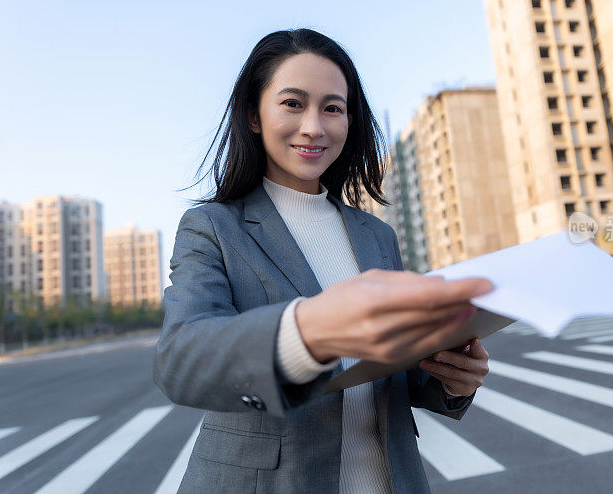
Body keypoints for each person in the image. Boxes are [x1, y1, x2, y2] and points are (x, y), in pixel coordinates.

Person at [153, 28, 495, 493]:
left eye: (333, 108)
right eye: (293, 103)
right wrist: (307, 330)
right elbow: (182, 359)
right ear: (254, 115)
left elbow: (388, 372)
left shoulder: (376, 235)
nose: (314, 126)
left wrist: (452, 380)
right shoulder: (213, 227)